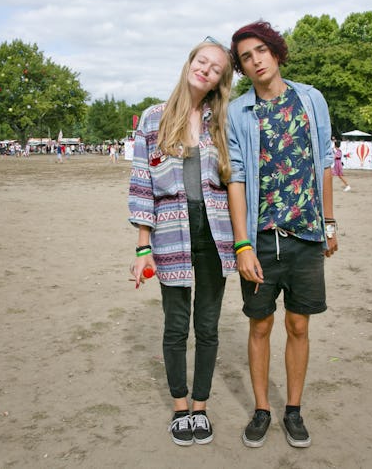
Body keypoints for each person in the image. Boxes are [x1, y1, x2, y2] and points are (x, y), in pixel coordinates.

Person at [227, 21, 338, 449]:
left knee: (298, 325)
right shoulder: (239, 111)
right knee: (260, 326)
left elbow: (325, 160)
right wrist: (242, 244)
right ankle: (261, 409)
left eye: (260, 51)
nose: (255, 61)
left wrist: (329, 223)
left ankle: (293, 409)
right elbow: (236, 177)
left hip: (306, 236)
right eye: (245, 58)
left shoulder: (310, 99)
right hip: (260, 238)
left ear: (275, 51)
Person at [128, 38, 235, 446]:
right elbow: (141, 185)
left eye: (215, 68)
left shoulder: (220, 121)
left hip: (215, 233)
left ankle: (201, 406)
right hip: (171, 234)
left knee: (207, 327)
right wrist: (142, 247)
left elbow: (234, 185)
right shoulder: (154, 119)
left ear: (219, 81)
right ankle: (179, 407)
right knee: (176, 327)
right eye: (201, 61)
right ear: (190, 62)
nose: (205, 69)